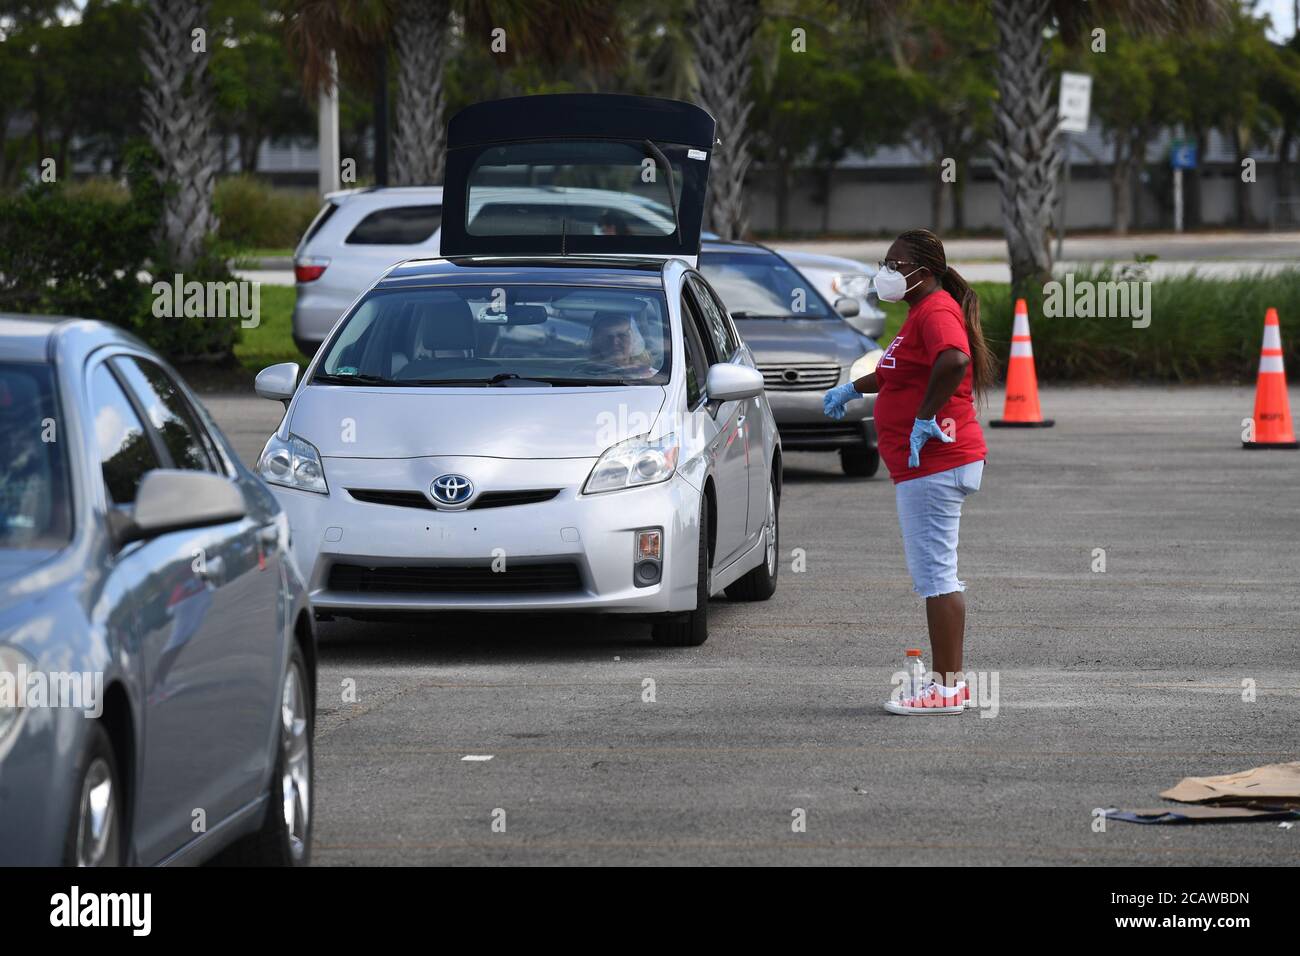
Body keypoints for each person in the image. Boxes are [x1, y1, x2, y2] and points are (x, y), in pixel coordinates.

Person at [822, 228, 994, 716]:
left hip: (935, 462)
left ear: (925, 270)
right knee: (936, 574)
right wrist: (853, 389)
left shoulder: (937, 309)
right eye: (885, 263)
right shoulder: (921, 311)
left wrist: (923, 417)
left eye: (895, 264)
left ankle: (948, 688)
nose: (886, 271)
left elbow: (954, 360)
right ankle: (947, 684)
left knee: (937, 577)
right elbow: (898, 369)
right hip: (928, 466)